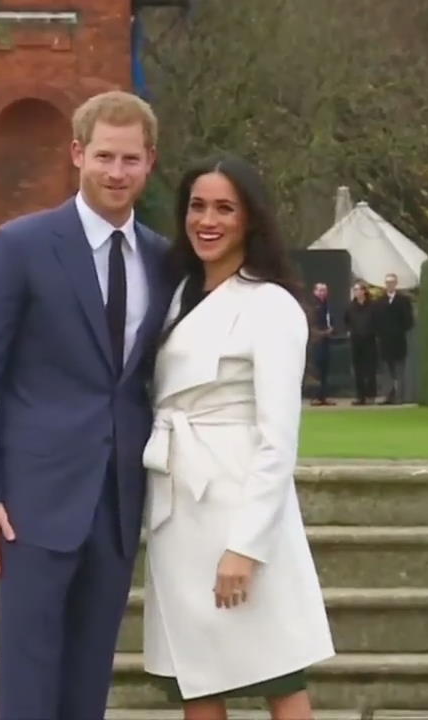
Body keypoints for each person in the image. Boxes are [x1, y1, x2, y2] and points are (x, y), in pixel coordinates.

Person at [0, 90, 174, 720]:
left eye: (130, 159)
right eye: (104, 155)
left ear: (149, 162)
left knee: (88, 678)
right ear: (77, 153)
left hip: (118, 497)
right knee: (27, 675)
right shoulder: (19, 246)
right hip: (31, 498)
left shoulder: (162, 259)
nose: (116, 172)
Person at [141, 154, 335, 720]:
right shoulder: (177, 295)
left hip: (237, 504)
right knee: (196, 676)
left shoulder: (271, 305)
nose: (208, 220)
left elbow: (278, 440)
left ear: (250, 219)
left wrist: (245, 546)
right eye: (197, 206)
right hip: (177, 504)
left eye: (225, 208)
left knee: (277, 671)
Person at [374, 272, 413, 404]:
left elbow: (409, 321)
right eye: (387, 282)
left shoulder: (403, 301)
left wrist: (398, 330)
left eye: (392, 282)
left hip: (398, 340)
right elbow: (376, 321)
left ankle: (399, 397)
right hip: (385, 341)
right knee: (387, 370)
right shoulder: (380, 301)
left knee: (399, 370)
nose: (389, 285)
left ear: (396, 284)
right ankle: (388, 395)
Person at [344, 280, 377, 404]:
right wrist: (349, 331)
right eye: (355, 290)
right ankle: (360, 396)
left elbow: (376, 320)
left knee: (370, 369)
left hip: (369, 340)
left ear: (364, 291)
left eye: (359, 289)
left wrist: (373, 331)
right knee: (358, 369)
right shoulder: (350, 307)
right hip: (356, 340)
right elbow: (346, 321)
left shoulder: (372, 306)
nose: (357, 292)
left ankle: (371, 395)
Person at [308, 282, 335, 405]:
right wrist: (322, 333)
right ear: (315, 291)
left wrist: (330, 331)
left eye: (324, 290)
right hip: (315, 342)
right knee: (316, 369)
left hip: (326, 342)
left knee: (325, 369)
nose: (322, 292)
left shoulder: (327, 305)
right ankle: (315, 396)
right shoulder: (311, 305)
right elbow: (311, 326)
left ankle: (323, 396)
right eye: (320, 290)